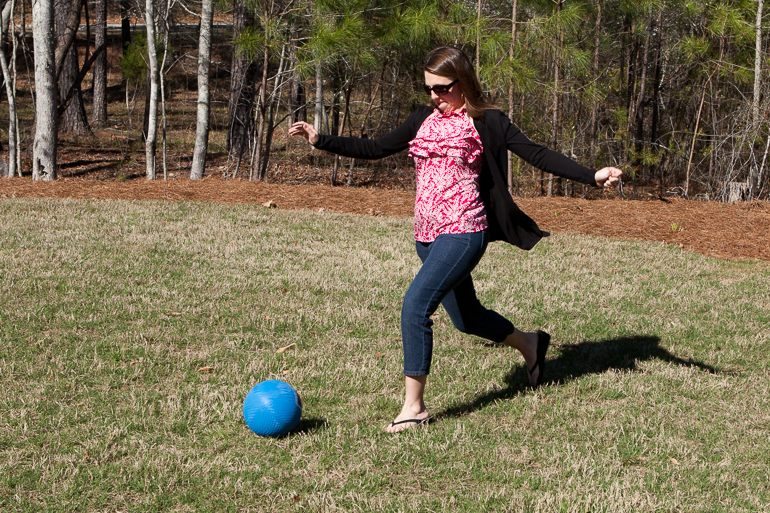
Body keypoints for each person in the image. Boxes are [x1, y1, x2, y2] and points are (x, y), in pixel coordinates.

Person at [289, 46, 622, 433]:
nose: (434, 96)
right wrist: (321, 139)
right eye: (429, 88)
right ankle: (530, 343)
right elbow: (376, 148)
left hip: (465, 230)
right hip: (426, 235)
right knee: (467, 319)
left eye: (442, 88)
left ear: (463, 83)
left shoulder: (489, 121)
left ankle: (414, 408)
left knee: (415, 306)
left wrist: (592, 176)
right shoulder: (422, 120)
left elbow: (537, 154)